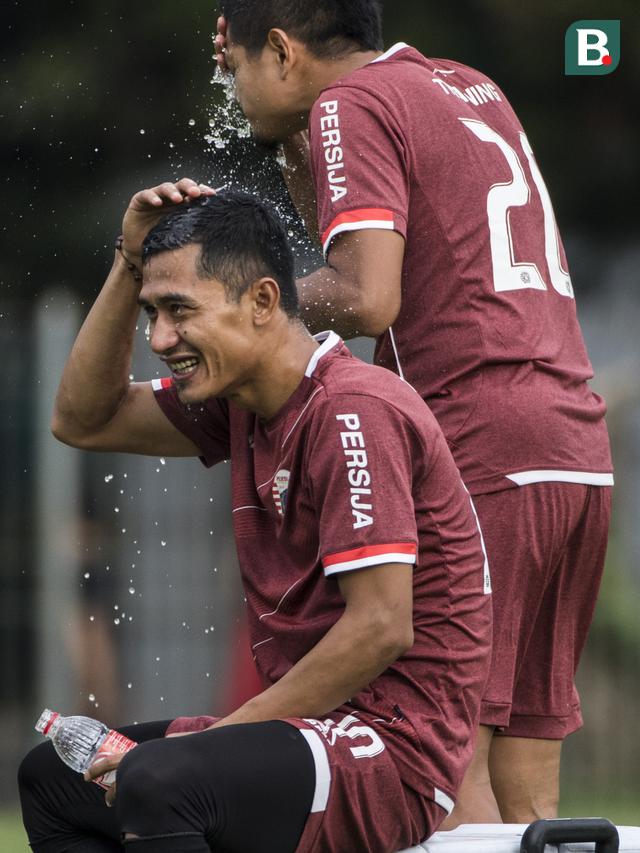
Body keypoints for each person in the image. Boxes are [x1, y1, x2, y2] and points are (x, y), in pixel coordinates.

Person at [213, 0, 614, 826]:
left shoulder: (347, 104)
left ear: (283, 50)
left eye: (238, 65)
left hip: (479, 438)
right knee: (528, 766)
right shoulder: (465, 84)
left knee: (444, 745)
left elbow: (365, 292)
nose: (230, 86)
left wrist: (245, 312)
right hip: (574, 443)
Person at [18, 179, 492, 852]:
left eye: (178, 309)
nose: (159, 337)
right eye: (152, 311)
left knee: (159, 780)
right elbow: (81, 419)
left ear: (263, 301)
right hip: (303, 728)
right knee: (54, 778)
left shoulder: (351, 408)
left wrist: (218, 739)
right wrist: (129, 260)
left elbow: (381, 626)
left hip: (392, 749)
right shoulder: (239, 399)